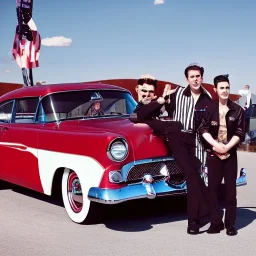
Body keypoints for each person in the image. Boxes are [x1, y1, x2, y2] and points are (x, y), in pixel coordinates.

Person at [132, 66, 216, 235]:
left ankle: (207, 213)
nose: (147, 94)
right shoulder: (146, 104)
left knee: (196, 174)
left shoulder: (206, 99)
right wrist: (161, 100)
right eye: (144, 91)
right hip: (176, 141)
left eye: (150, 92)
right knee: (192, 175)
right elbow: (139, 116)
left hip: (189, 141)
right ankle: (194, 222)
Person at [199, 74, 245, 236]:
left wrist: (227, 147)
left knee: (231, 191)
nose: (225, 91)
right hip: (213, 154)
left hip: (230, 155)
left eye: (227, 87)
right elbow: (202, 129)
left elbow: (240, 132)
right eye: (222, 88)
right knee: (213, 190)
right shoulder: (210, 108)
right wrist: (215, 145)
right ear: (215, 90)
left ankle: (230, 224)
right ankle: (216, 223)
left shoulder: (237, 110)